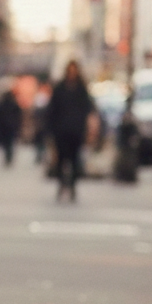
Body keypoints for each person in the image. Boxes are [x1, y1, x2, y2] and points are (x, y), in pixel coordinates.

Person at [46, 60, 93, 200]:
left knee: (74, 159)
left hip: (76, 131)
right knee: (61, 160)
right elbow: (52, 110)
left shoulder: (81, 89)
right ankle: (61, 184)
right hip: (61, 131)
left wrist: (87, 129)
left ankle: (72, 186)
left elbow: (87, 109)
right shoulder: (60, 88)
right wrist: (51, 131)